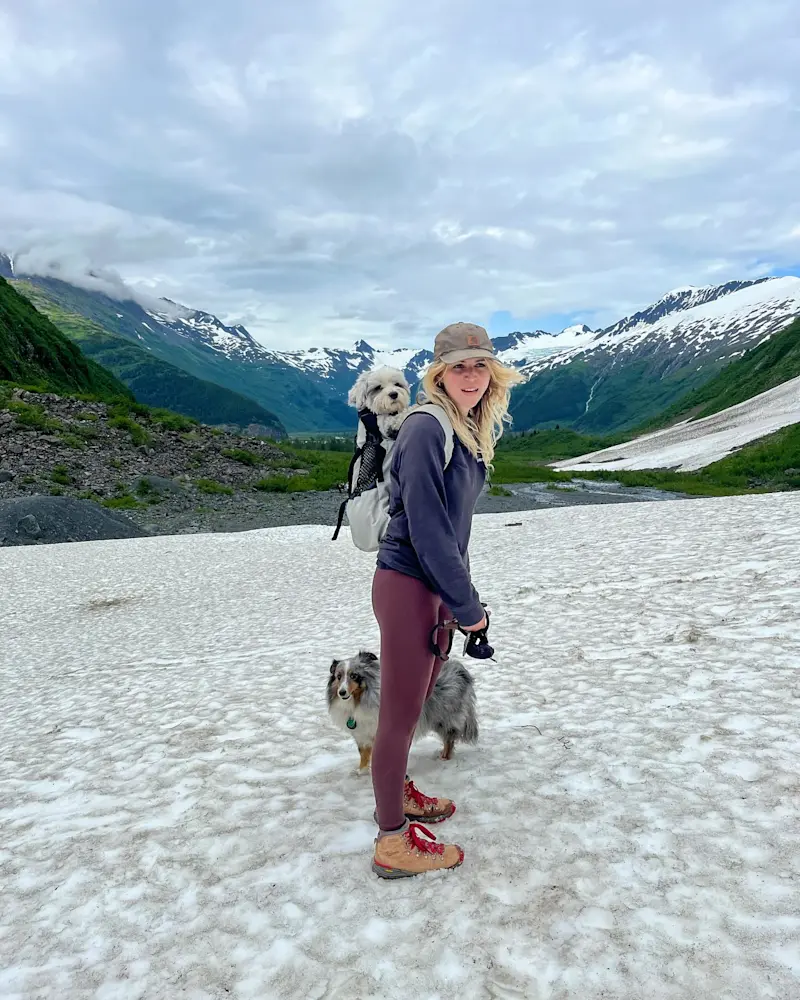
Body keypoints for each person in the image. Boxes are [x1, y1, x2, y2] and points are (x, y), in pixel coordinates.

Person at [370, 321, 524, 878]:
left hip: (432, 586)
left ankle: (396, 794)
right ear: (438, 372)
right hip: (410, 582)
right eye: (459, 365)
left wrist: (457, 597)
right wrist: (469, 608)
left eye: (481, 364)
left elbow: (453, 531)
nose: (472, 374)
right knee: (398, 715)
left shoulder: (462, 427)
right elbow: (431, 531)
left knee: (411, 706)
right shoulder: (426, 427)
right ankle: (392, 843)